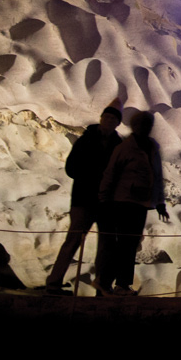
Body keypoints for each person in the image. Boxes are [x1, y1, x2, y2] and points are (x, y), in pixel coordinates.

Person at [44, 104, 123, 296]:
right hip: (85, 200)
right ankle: (54, 282)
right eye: (107, 117)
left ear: (117, 123)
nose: (109, 121)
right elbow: (71, 168)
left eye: (113, 119)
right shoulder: (86, 140)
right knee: (73, 241)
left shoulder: (117, 144)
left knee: (105, 245)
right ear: (102, 117)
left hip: (104, 203)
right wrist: (94, 176)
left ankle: (101, 286)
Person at [95, 111, 169, 296]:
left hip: (140, 203)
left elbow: (157, 176)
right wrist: (104, 199)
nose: (145, 128)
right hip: (123, 201)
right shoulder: (125, 148)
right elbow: (110, 174)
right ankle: (109, 282)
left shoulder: (151, 147)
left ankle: (117, 283)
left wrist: (160, 202)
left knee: (130, 243)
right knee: (125, 243)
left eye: (147, 124)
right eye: (143, 124)